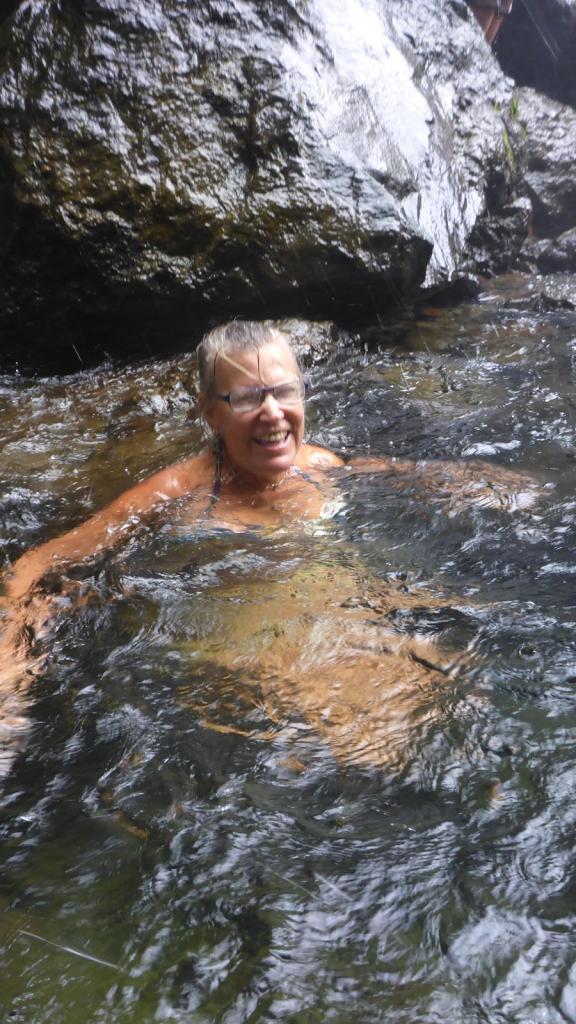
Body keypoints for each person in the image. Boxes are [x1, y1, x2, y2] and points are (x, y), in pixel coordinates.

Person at [0, 321, 538, 771]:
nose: (273, 413)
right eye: (248, 397)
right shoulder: (171, 494)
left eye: (284, 391)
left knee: (468, 710)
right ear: (209, 411)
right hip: (252, 638)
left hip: (348, 609)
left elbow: (388, 472)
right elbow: (41, 560)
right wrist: (13, 661)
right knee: (376, 750)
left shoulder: (319, 463)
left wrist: (462, 479)